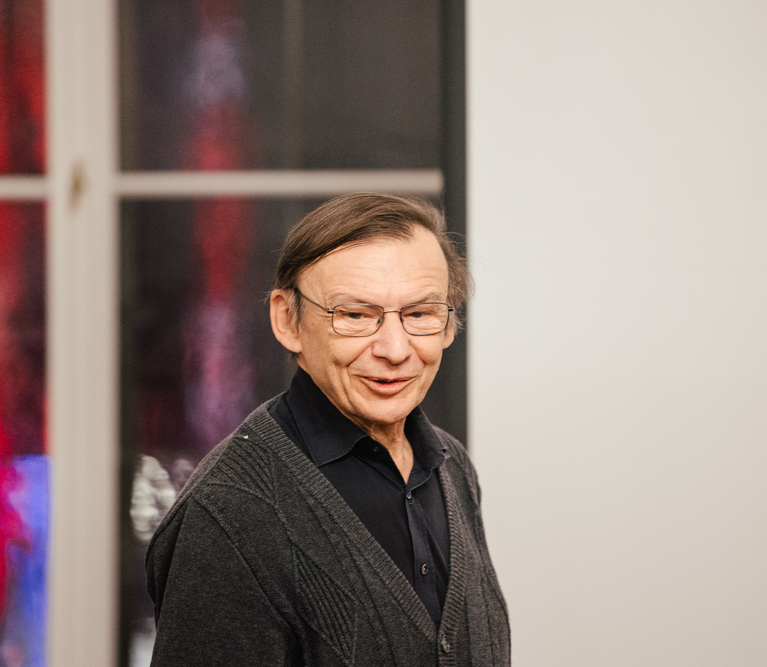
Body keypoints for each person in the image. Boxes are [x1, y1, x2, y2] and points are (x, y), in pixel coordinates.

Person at [146, 193, 509, 666]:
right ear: (287, 320)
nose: (395, 349)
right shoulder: (230, 512)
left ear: (448, 325)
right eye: (355, 315)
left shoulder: (452, 466)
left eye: (419, 314)